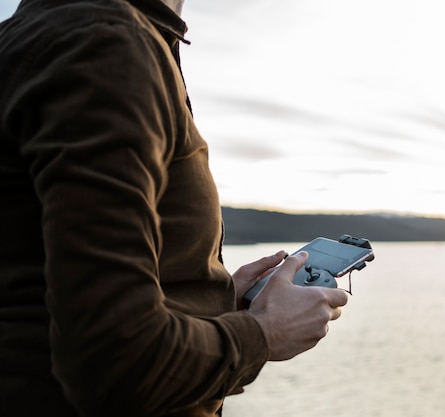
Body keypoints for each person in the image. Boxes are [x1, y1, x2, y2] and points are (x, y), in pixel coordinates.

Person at [0, 0, 349, 416]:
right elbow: (116, 363)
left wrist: (212, 299)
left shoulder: (45, 32)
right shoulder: (104, 41)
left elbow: (41, 280)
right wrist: (263, 333)